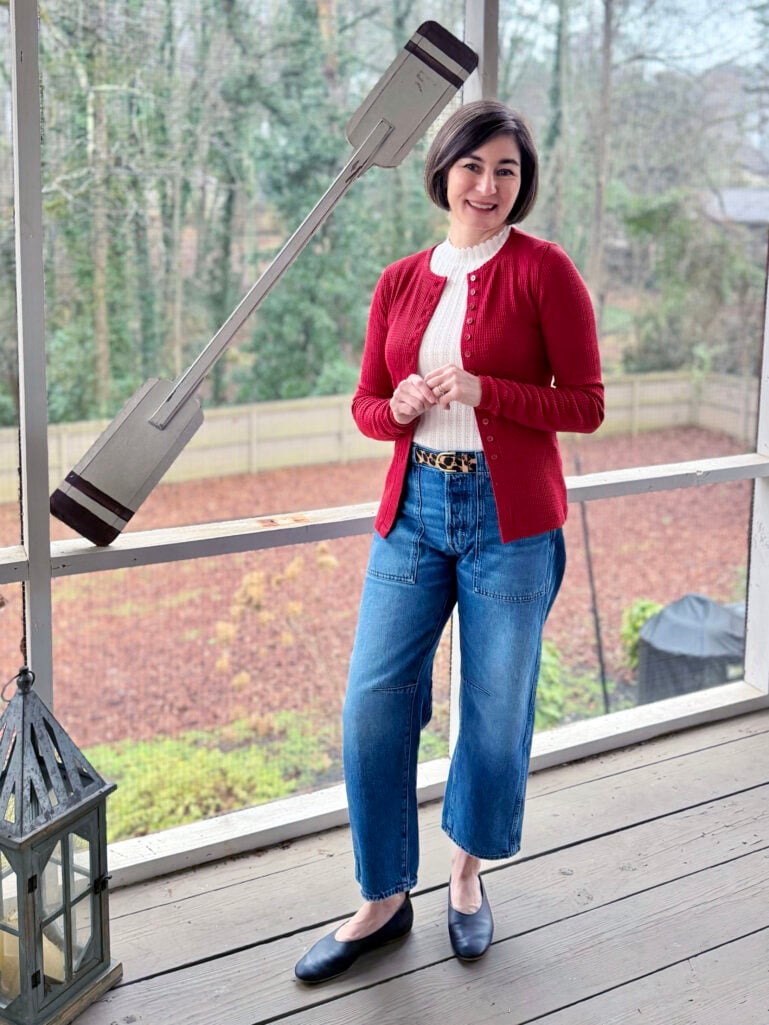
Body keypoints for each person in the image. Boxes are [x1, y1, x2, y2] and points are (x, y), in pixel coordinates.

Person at [294, 99, 604, 984]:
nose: (488, 184)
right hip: (414, 513)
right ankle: (383, 896)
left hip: (511, 525)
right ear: (443, 171)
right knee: (372, 706)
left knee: (495, 714)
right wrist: (392, 409)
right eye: (473, 166)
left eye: (506, 170)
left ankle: (465, 878)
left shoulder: (547, 272)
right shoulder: (398, 280)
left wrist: (483, 388)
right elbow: (365, 402)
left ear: (521, 184)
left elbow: (584, 403)